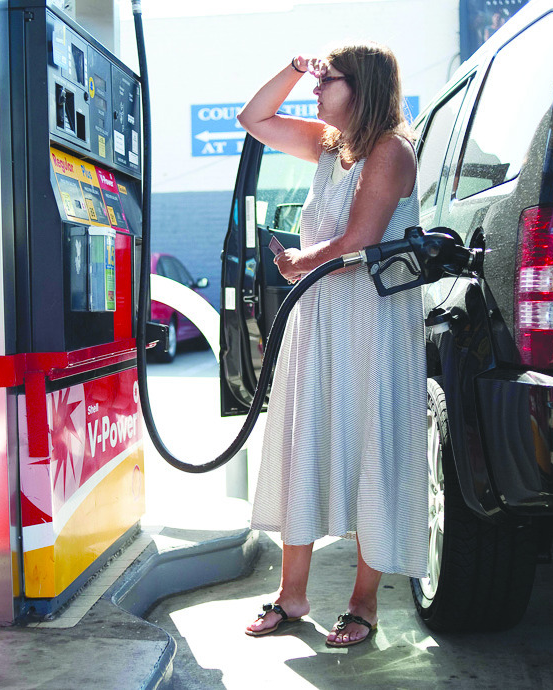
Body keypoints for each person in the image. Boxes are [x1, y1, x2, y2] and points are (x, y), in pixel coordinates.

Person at [238, 42, 428, 648]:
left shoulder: (391, 149)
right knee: (306, 441)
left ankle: (363, 604)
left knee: (370, 443)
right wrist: (295, 69)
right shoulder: (330, 145)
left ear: (362, 86)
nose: (318, 91)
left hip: (371, 319)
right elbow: (253, 118)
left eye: (328, 81)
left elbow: (359, 239)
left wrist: (297, 261)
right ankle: (292, 595)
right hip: (321, 313)